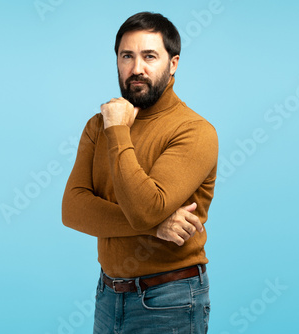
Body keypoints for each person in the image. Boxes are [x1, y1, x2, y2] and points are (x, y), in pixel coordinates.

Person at [61, 12, 219, 334]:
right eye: (127, 56)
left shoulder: (194, 131)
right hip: (108, 295)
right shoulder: (97, 125)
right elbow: (73, 209)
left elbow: (145, 208)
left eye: (150, 56)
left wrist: (118, 129)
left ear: (173, 63)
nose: (137, 69)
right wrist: (155, 226)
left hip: (170, 299)